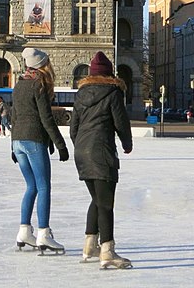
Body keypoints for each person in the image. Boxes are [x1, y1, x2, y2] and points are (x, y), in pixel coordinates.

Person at [69, 51, 133, 269]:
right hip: (102, 151)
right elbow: (121, 122)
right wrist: (127, 143)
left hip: (82, 152)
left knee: (97, 198)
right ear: (109, 73)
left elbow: (73, 128)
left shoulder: (81, 94)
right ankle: (107, 250)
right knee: (106, 203)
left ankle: (90, 245)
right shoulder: (113, 93)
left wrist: (81, 145)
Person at [11, 47, 68, 255]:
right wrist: (60, 145)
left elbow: (14, 116)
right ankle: (43, 233)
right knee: (43, 187)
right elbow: (46, 119)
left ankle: (24, 231)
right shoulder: (39, 84)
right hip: (34, 140)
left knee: (31, 186)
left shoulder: (19, 85)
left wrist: (12, 145)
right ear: (41, 65)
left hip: (18, 141)